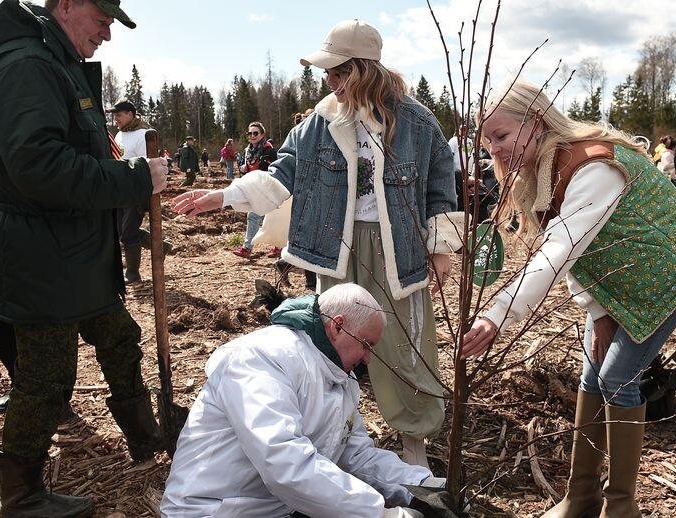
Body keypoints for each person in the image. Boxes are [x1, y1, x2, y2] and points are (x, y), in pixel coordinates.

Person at [173, 19, 461, 468]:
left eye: (338, 72)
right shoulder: (320, 123)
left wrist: (441, 248)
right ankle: (334, 429)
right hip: (336, 248)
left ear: (364, 70)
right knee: (332, 338)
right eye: (328, 73)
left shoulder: (417, 123)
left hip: (397, 249)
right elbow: (282, 173)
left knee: (402, 344)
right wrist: (224, 196)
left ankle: (414, 441)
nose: (330, 82)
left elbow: (442, 186)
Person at [461, 80, 676, 517]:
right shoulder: (545, 172)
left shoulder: (591, 167)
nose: (494, 150)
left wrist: (497, 314)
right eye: (487, 143)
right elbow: (581, 257)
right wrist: (599, 313)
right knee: (592, 375)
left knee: (617, 379)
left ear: (535, 122)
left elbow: (560, 251)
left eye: (501, 136)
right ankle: (581, 497)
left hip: (665, 275)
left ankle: (621, 506)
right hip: (621, 279)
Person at [0, 0, 168, 515]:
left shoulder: (56, 63)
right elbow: (40, 167)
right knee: (46, 375)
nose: (107, 34)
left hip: (75, 255)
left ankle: (147, 436)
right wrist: (134, 178)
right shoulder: (26, 66)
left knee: (119, 336)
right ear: (65, 6)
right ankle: (22, 494)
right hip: (42, 258)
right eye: (102, 20)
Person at [160, 284, 442, 517]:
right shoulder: (263, 358)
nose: (368, 358)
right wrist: (380, 514)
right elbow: (284, 462)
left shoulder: (340, 379)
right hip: (214, 510)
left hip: (274, 509)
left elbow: (357, 456)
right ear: (338, 326)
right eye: (366, 344)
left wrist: (423, 487)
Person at [0, 172, 75, 420]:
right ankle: (21, 383)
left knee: (40, 327)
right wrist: (1, 192)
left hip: (33, 257)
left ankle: (55, 398)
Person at [107, 99, 171, 283]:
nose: (116, 118)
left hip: (136, 191)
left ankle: (133, 274)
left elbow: (148, 165)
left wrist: (147, 194)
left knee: (128, 233)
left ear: (130, 114)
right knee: (122, 232)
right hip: (120, 191)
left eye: (119, 115)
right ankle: (161, 247)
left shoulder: (144, 135)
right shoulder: (119, 135)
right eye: (115, 115)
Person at [231, 121, 278, 259]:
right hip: (254, 189)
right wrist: (243, 168)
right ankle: (248, 248)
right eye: (250, 133)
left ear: (262, 134)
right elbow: (246, 168)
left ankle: (278, 246)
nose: (252, 136)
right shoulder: (248, 151)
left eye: (255, 133)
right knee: (255, 216)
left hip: (269, 189)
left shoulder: (270, 151)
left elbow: (277, 170)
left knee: (271, 217)